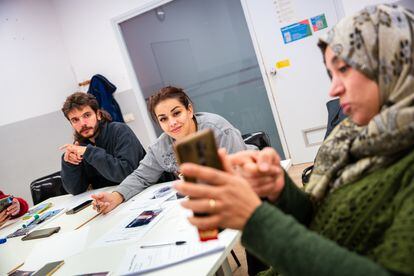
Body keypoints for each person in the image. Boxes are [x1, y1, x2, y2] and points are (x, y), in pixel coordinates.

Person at [175, 4, 414, 276]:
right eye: (330, 73)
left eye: (345, 68)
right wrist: (280, 191)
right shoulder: (351, 134)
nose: (333, 88)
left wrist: (257, 221)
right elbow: (323, 222)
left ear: (393, 64)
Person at [92, 86, 252, 214]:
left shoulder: (217, 129)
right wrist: (115, 197)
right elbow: (141, 176)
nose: (172, 122)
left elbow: (240, 171)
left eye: (177, 113)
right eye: (163, 119)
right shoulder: (160, 147)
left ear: (189, 110)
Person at [60, 92, 146, 195]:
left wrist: (89, 152)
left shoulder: (120, 130)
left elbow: (127, 174)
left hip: (141, 192)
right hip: (109, 200)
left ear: (98, 115)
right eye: (75, 120)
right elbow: (75, 190)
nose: (82, 124)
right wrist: (70, 164)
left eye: (87, 115)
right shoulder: (79, 145)